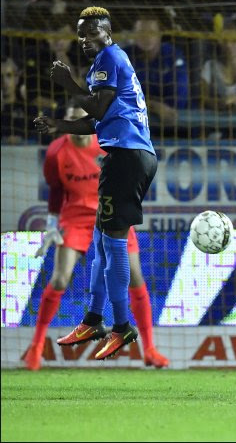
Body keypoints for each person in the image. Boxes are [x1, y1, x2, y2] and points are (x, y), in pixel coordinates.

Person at [34, 6, 158, 362]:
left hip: (127, 157)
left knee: (113, 244)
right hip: (129, 155)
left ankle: (120, 327)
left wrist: (67, 83)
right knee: (103, 242)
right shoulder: (109, 62)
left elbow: (99, 109)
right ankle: (94, 318)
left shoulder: (108, 59)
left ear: (107, 32)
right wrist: (59, 124)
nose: (85, 40)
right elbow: (97, 121)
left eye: (91, 33)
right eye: (80, 35)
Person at [24, 99, 168, 370]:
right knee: (60, 278)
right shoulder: (56, 152)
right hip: (76, 217)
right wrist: (52, 223)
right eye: (70, 115)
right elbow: (56, 190)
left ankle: (149, 349)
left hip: (111, 213)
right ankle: (35, 347)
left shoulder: (107, 143)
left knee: (135, 276)